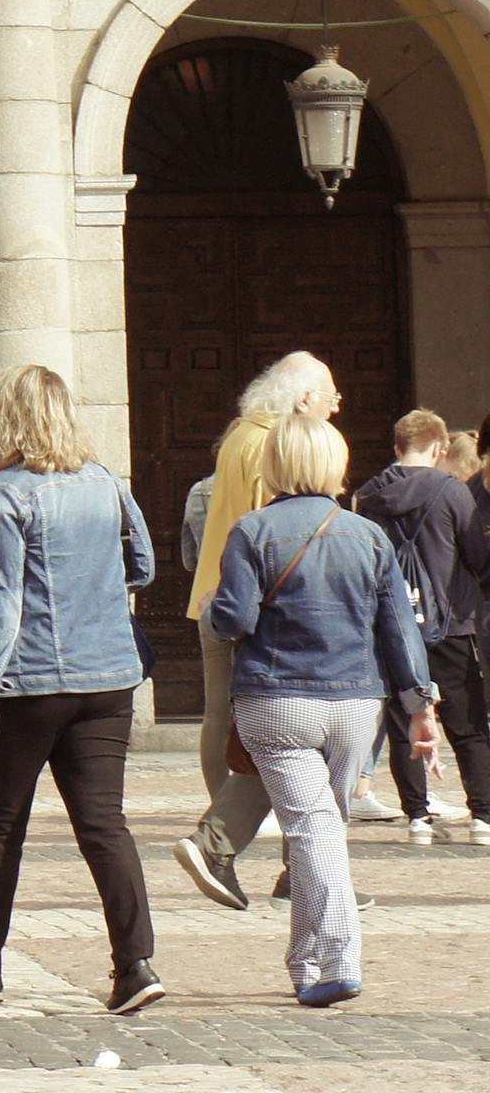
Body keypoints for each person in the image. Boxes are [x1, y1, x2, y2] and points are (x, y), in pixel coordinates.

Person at [0, 366, 164, 1015]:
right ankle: (134, 964)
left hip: (29, 682)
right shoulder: (108, 483)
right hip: (109, 677)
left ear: (6, 422)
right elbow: (143, 565)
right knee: (104, 823)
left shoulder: (6, 495)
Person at [207, 414, 441, 1008]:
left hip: (277, 700)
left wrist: (214, 605)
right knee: (322, 832)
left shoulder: (252, 531)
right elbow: (398, 629)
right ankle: (305, 964)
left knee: (313, 831)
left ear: (275, 465)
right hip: (355, 705)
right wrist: (420, 704)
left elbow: (234, 620)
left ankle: (339, 956)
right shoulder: (368, 535)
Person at [176, 352, 338, 910]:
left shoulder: (238, 435)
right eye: (329, 394)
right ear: (300, 401)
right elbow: (276, 531)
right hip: (255, 610)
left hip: (217, 598)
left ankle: (275, 853)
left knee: (226, 719)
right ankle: (227, 837)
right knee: (281, 730)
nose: (337, 405)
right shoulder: (276, 442)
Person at [352, 409, 490, 843]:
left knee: (402, 721)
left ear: (397, 447)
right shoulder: (452, 491)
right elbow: (476, 556)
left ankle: (417, 817)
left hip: (393, 626)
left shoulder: (367, 495)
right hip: (452, 621)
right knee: (468, 725)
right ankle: (482, 816)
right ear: (440, 447)